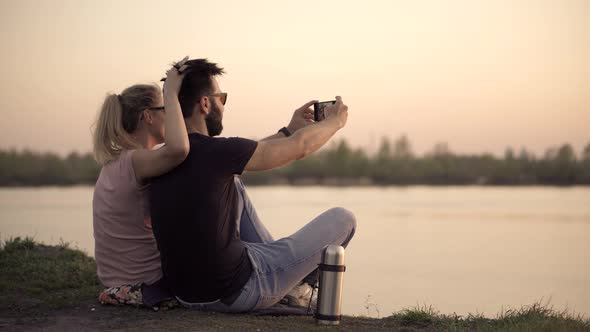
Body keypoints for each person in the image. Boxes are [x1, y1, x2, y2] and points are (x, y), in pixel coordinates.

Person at [149, 58, 357, 313]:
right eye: (221, 98)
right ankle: (299, 289)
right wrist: (334, 122)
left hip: (187, 295)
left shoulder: (161, 159)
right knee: (344, 219)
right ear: (205, 104)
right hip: (236, 291)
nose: (223, 106)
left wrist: (289, 129)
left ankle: (289, 286)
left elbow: (257, 152)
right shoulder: (216, 153)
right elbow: (300, 148)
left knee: (233, 181)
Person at [91, 58, 190, 305]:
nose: (170, 114)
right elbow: (179, 149)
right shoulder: (138, 161)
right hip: (147, 280)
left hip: (117, 279)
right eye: (165, 108)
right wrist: (170, 91)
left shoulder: (117, 162)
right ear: (148, 116)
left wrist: (285, 133)